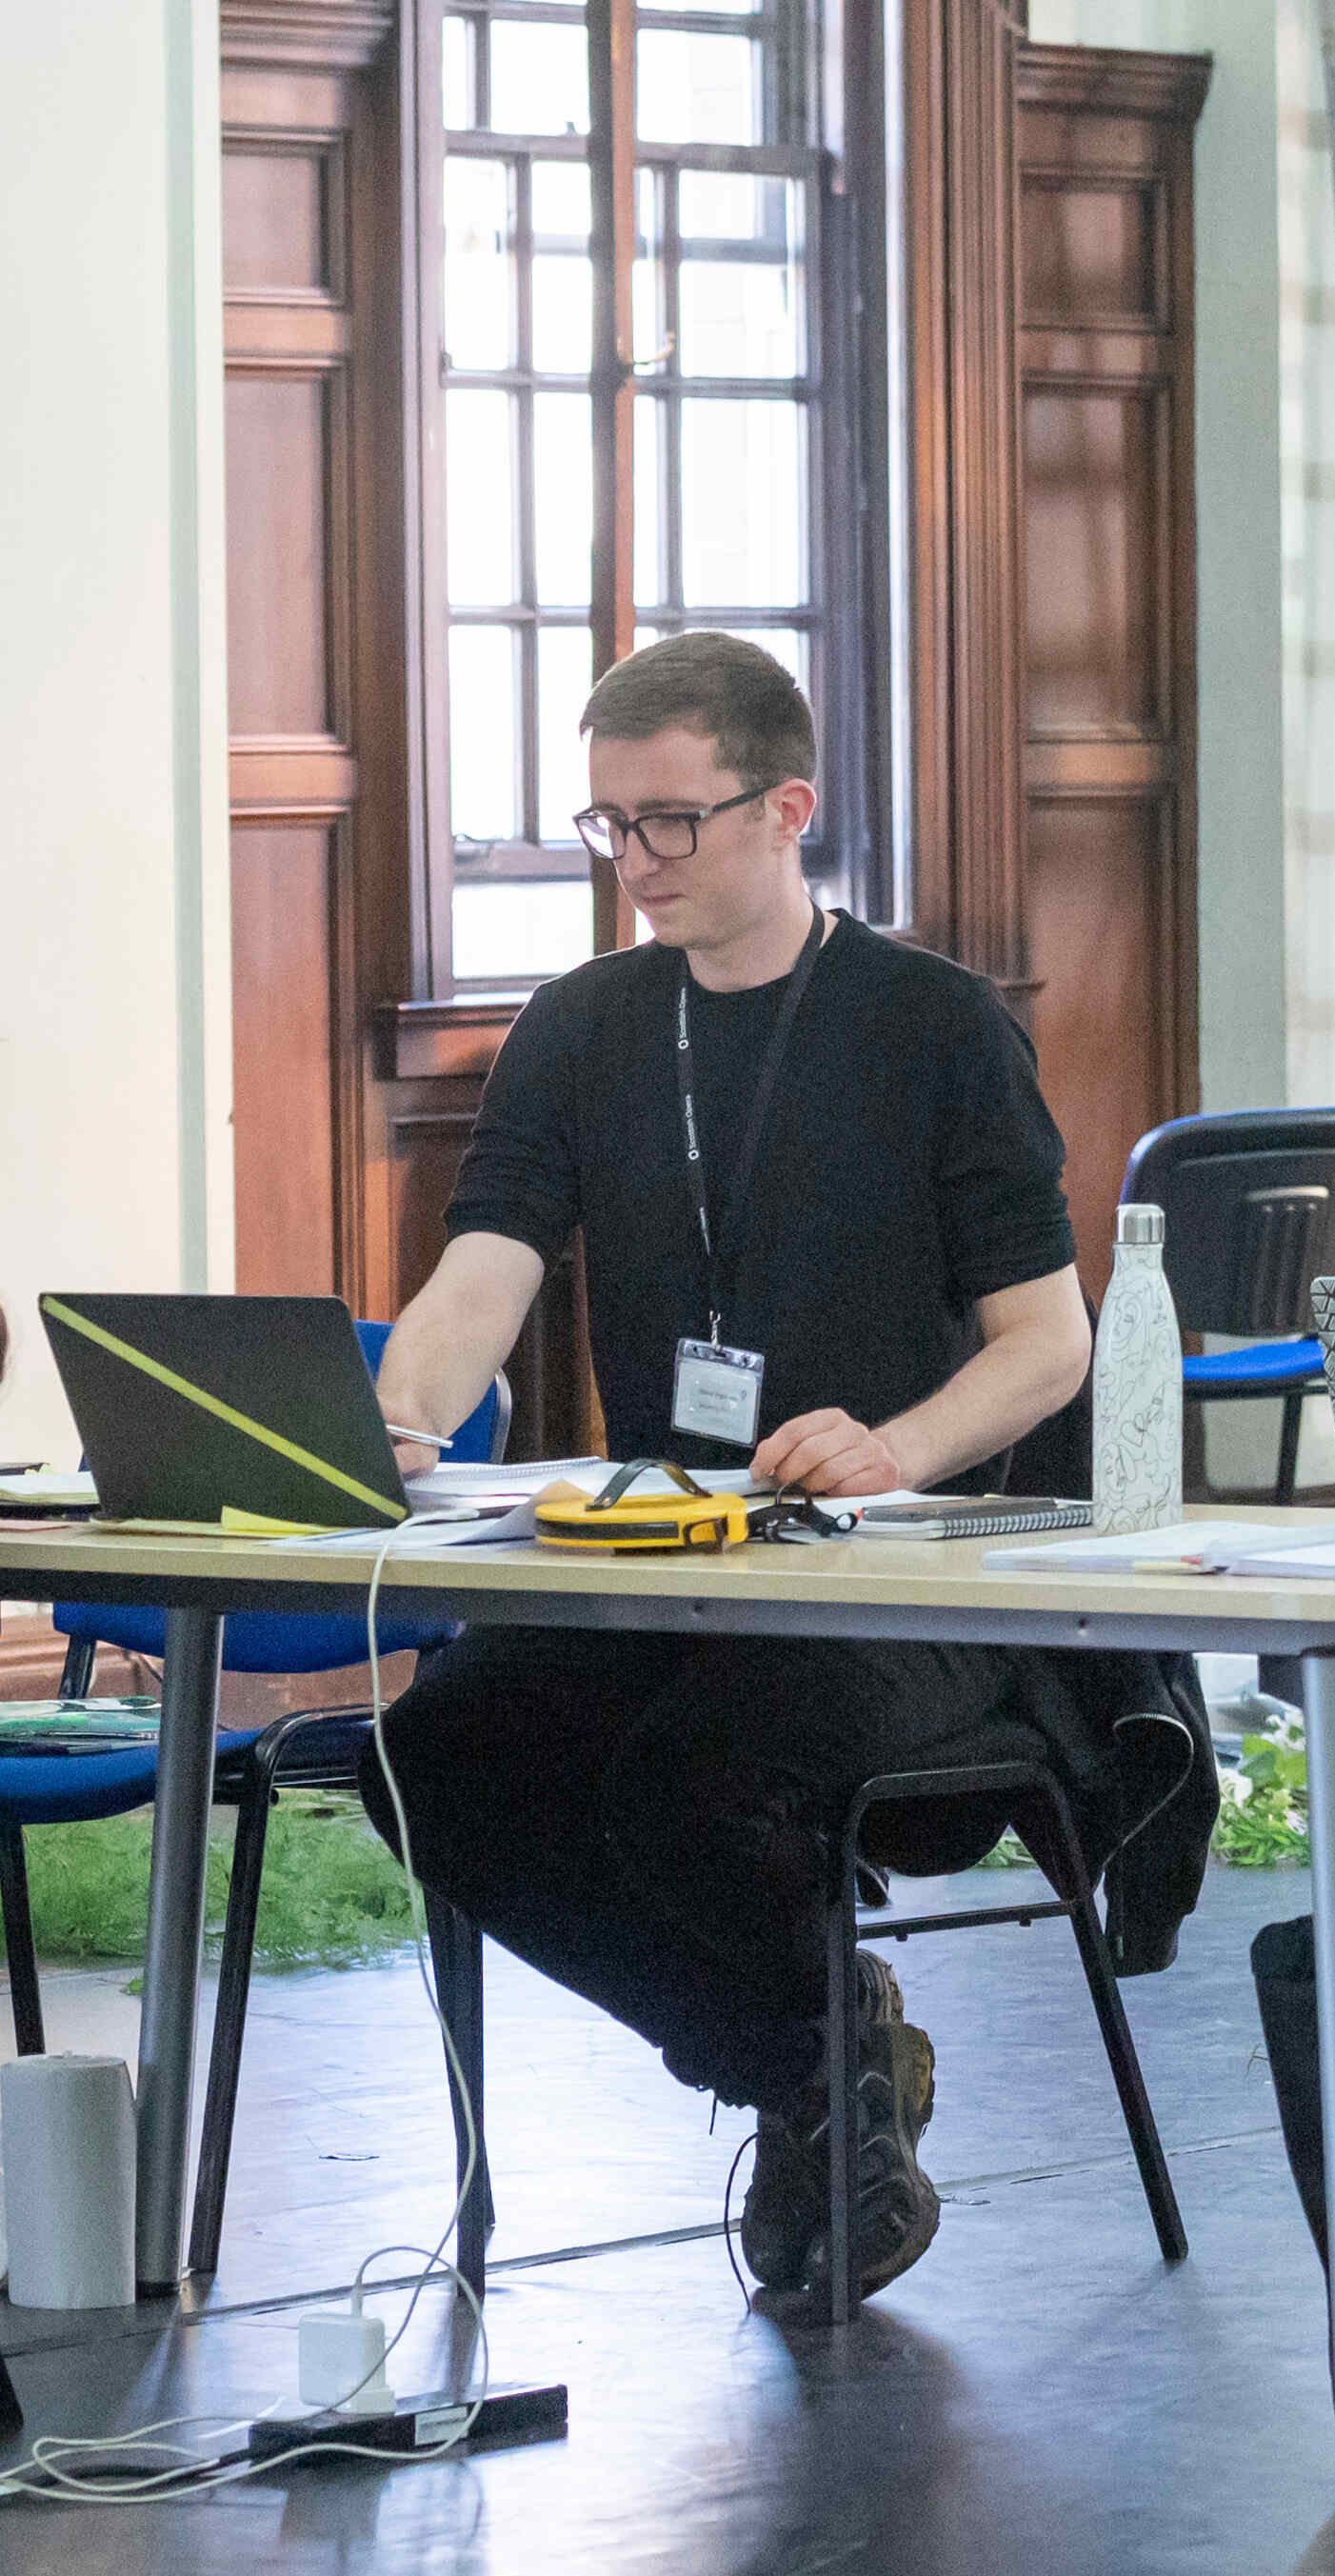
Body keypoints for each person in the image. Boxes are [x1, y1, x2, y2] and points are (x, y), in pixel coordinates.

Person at [361, 632, 1205, 2307]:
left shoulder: (935, 1028)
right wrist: (394, 1422)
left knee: (694, 1781)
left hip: (915, 1580)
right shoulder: (584, 1029)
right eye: (609, 826)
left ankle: (815, 2067)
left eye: (669, 822)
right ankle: (817, 2060)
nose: (636, 866)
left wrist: (889, 1453)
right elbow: (482, 1279)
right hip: (676, 1563)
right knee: (438, 1756)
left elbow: (1045, 1345)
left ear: (785, 808)